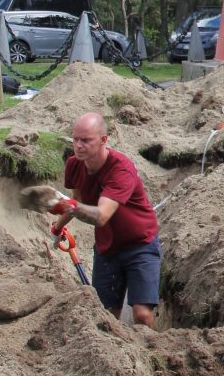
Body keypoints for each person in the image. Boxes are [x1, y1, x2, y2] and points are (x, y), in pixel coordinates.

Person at [49, 112, 160, 327]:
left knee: (142, 314)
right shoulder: (74, 165)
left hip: (140, 243)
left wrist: (67, 206)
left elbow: (101, 216)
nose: (78, 145)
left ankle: (153, 354)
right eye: (75, 139)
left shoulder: (121, 169)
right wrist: (57, 227)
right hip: (107, 248)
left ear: (103, 139)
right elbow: (77, 199)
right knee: (106, 317)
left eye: (86, 140)